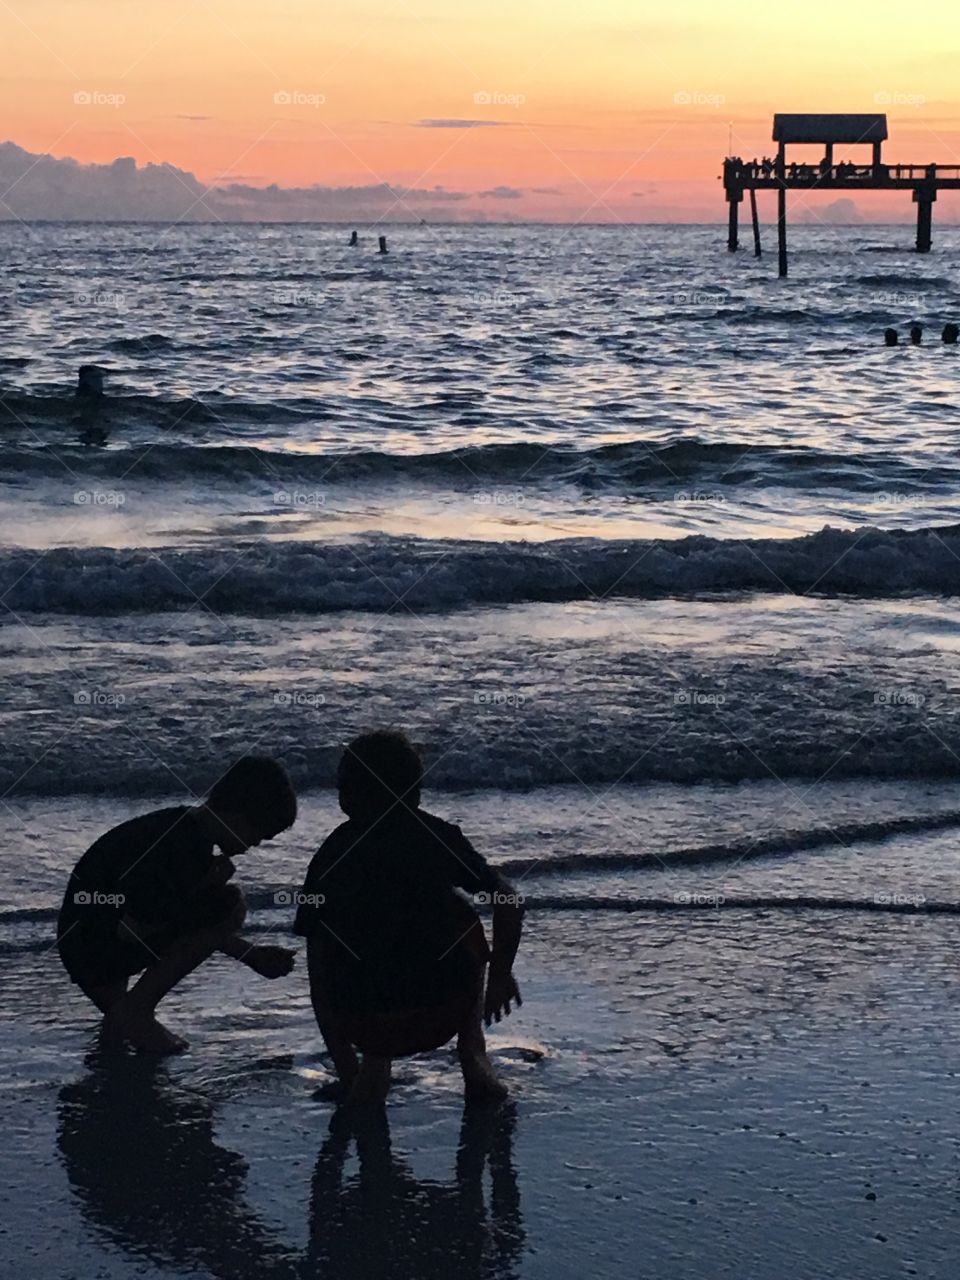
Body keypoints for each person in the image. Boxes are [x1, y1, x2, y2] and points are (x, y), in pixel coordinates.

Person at [294, 730, 524, 1104]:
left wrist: (343, 1061)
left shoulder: (330, 854)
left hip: (362, 1023)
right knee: (463, 917)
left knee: (331, 933)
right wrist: (500, 975)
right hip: (440, 1013)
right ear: (416, 791)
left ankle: (367, 1070)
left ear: (347, 796)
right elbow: (508, 900)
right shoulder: (439, 837)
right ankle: (473, 1053)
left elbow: (316, 965)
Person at [57, 756, 298, 1054]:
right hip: (99, 947)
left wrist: (249, 954)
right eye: (259, 835)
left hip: (85, 940)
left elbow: (173, 918)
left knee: (151, 1046)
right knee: (229, 905)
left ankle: (123, 1020)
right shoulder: (185, 847)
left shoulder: (180, 829)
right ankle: (137, 1007)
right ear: (237, 817)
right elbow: (140, 924)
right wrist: (206, 890)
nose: (256, 845)